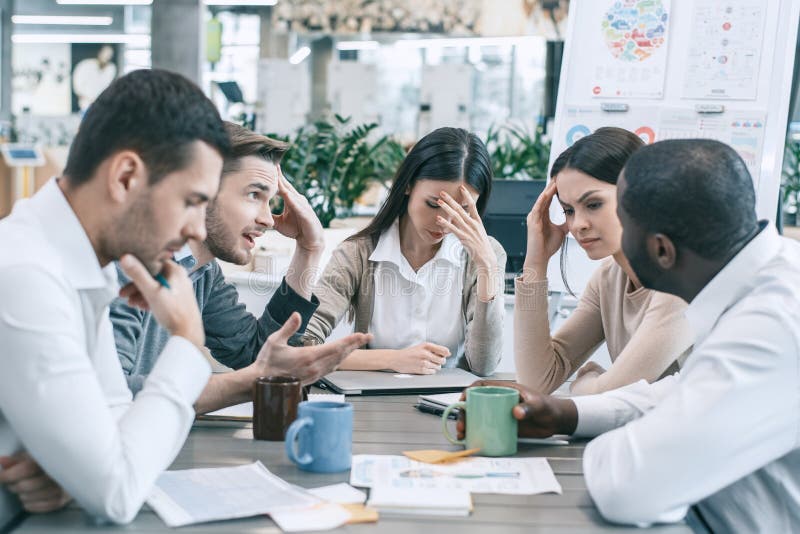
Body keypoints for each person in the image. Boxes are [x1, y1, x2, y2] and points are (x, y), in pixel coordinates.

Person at [0, 70, 368, 528]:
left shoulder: (80, 263)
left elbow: (115, 428)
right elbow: (115, 489)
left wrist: (80, 469)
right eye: (192, 200)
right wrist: (187, 340)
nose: (197, 229)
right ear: (127, 176)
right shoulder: (27, 275)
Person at [464, 139, 800, 531]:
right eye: (569, 211)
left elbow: (628, 488)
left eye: (620, 217)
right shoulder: (756, 283)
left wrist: (601, 415)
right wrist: (565, 413)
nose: (575, 227)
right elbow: (676, 392)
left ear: (661, 250)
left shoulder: (775, 321)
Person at [111, 122, 346, 414]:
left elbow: (254, 354)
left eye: (270, 201)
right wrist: (247, 383)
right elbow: (112, 398)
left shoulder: (202, 272)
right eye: (253, 195)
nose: (269, 220)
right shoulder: (127, 264)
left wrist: (309, 250)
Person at [303, 127, 506, 376]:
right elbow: (302, 347)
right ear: (408, 185)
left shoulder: (485, 255)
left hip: (450, 406)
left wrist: (487, 267)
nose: (444, 221)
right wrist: (391, 359)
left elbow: (483, 366)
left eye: (461, 210)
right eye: (433, 204)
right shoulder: (358, 252)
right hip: (373, 401)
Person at [516, 127, 692, 395]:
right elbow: (535, 382)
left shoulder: (680, 278)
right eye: (568, 210)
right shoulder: (609, 278)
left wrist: (588, 381)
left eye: (594, 204)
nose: (578, 225)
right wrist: (536, 263)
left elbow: (611, 395)